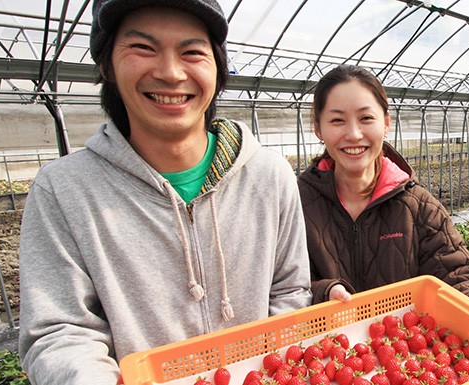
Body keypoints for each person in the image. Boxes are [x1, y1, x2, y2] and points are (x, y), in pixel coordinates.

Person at [17, 1, 311, 383]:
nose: (171, 73)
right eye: (143, 48)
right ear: (106, 65)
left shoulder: (269, 176)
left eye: (192, 52)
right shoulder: (63, 189)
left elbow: (290, 290)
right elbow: (59, 331)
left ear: (218, 70)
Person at [298, 65, 469, 313]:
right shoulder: (296, 204)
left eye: (366, 118)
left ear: (386, 123)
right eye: (337, 120)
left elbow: (456, 273)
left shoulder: (419, 207)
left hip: (401, 346)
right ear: (318, 128)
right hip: (324, 344)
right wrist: (324, 292)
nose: (353, 134)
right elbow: (283, 287)